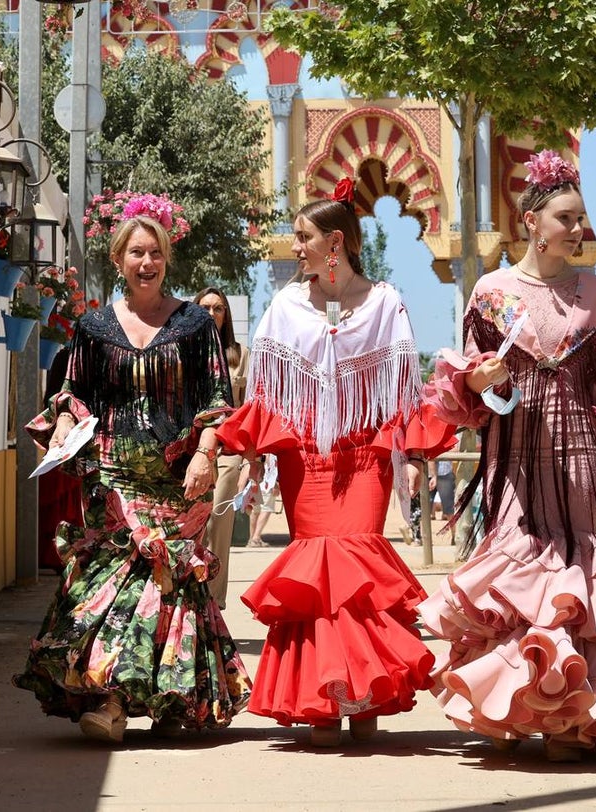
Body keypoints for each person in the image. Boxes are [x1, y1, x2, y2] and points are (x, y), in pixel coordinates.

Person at [418, 150, 596, 762]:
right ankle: (532, 708)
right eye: (566, 218)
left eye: (582, 218)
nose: (579, 229)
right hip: (516, 456)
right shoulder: (492, 291)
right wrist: (483, 381)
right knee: (522, 573)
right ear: (531, 221)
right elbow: (476, 392)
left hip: (578, 457)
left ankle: (568, 716)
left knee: (568, 578)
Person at [216, 178, 455, 747]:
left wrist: (414, 455)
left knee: (357, 570)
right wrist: (256, 456)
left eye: (303, 236)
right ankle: (323, 698)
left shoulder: (385, 303)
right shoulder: (285, 306)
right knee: (314, 577)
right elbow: (266, 393)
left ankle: (366, 692)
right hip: (305, 460)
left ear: (336, 242)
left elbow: (403, 388)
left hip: (363, 458)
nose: (294, 246)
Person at [14, 199, 252, 743]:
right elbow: (72, 392)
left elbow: (217, 397)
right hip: (114, 472)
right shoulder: (94, 327)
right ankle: (114, 700)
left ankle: (175, 698)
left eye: (156, 254)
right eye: (137, 253)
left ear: (167, 260)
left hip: (177, 474)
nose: (147, 262)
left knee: (172, 582)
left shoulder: (194, 324)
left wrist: (205, 453)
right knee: (118, 581)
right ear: (119, 258)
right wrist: (59, 428)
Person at [194, 286, 248, 608]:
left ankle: (213, 605)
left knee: (217, 523)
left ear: (226, 314)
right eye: (205, 307)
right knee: (191, 526)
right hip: (188, 454)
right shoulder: (184, 352)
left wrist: (254, 460)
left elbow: (251, 407)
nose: (211, 313)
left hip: (227, 454)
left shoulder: (241, 355)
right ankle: (189, 601)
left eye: (218, 308)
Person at [36, 346, 82, 573]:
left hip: (59, 439)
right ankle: (65, 554)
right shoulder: (74, 359)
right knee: (69, 500)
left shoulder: (65, 356)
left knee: (60, 501)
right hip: (74, 439)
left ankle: (55, 554)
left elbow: (49, 399)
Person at [247, 453, 281, 547]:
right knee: (266, 509)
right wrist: (276, 483)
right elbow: (274, 468)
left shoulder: (258, 451)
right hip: (268, 484)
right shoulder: (273, 453)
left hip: (256, 482)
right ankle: (256, 537)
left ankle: (252, 538)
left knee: (255, 511)